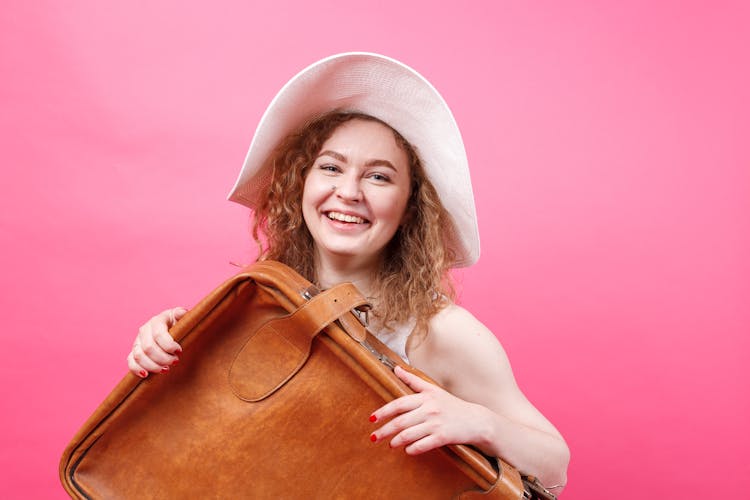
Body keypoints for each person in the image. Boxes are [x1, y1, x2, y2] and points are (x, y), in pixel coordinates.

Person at [126, 52, 570, 492]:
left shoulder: (440, 332)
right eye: (331, 168)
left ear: (410, 206)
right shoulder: (261, 300)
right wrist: (166, 345)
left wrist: (479, 423)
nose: (348, 192)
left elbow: (555, 467)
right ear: (301, 183)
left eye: (378, 177)